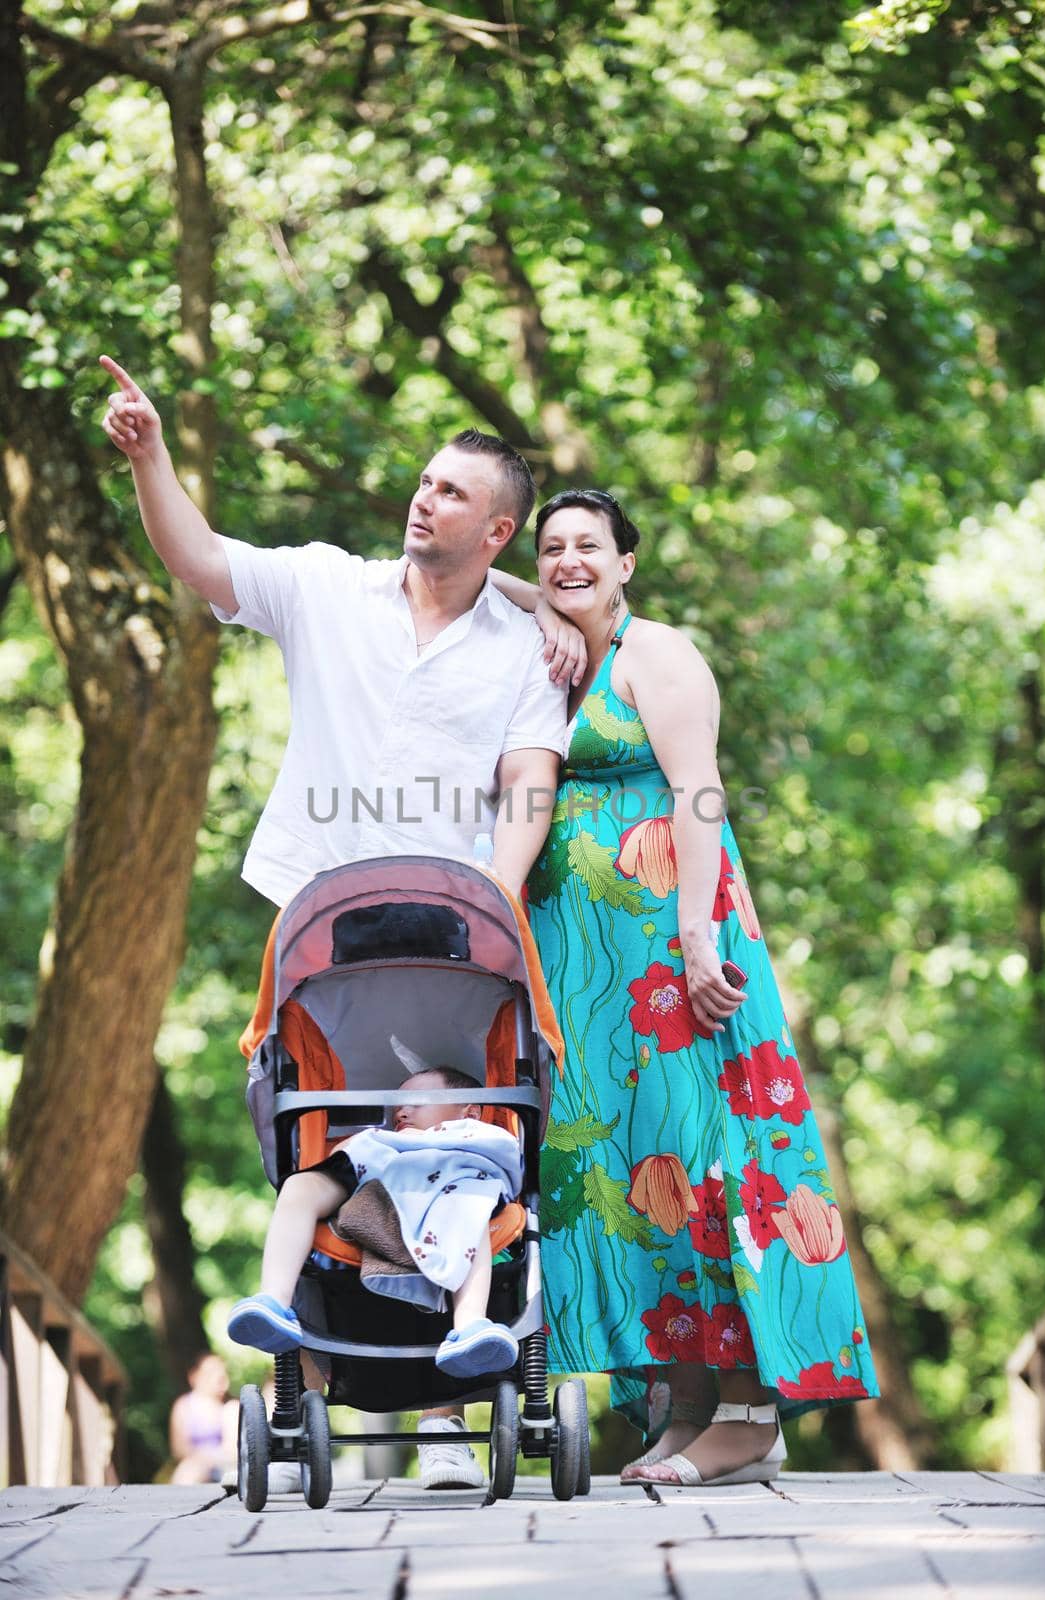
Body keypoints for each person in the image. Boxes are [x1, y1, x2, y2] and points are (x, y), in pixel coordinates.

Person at [99, 356, 578, 1488]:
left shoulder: (525, 653)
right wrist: (150, 456)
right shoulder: (325, 586)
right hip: (321, 938)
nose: (422, 498)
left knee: (471, 1154)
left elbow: (526, 788)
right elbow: (201, 559)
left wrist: (497, 902)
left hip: (458, 958)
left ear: (498, 530)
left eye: (452, 493)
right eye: (421, 482)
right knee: (317, 1141)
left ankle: (470, 1396)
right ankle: (305, 1380)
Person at [525, 489, 879, 1488]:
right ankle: (679, 1409)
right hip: (591, 980)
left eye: (588, 545)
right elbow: (500, 590)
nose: (568, 561)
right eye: (550, 549)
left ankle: (745, 1416)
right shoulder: (564, 655)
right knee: (638, 1180)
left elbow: (697, 791)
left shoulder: (657, 655)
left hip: (671, 954)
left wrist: (693, 936)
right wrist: (544, 604)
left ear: (626, 561)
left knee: (708, 1158)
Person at [227, 1067, 522, 1379]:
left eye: (416, 1102)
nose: (402, 1111)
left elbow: (498, 1177)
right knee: (299, 1186)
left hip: (456, 1192)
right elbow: (346, 1160)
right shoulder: (382, 1141)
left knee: (472, 1208)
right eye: (396, 1107)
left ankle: (469, 1325)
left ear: (471, 1112)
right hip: (375, 1184)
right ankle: (274, 1300)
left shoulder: (482, 1140)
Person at [169, 1352, 238, 1485]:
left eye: (222, 1373)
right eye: (211, 1373)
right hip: (194, 1466)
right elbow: (178, 1449)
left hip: (226, 1468)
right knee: (188, 1472)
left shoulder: (230, 1408)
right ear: (194, 1376)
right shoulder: (183, 1406)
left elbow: (232, 1451)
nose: (218, 1378)